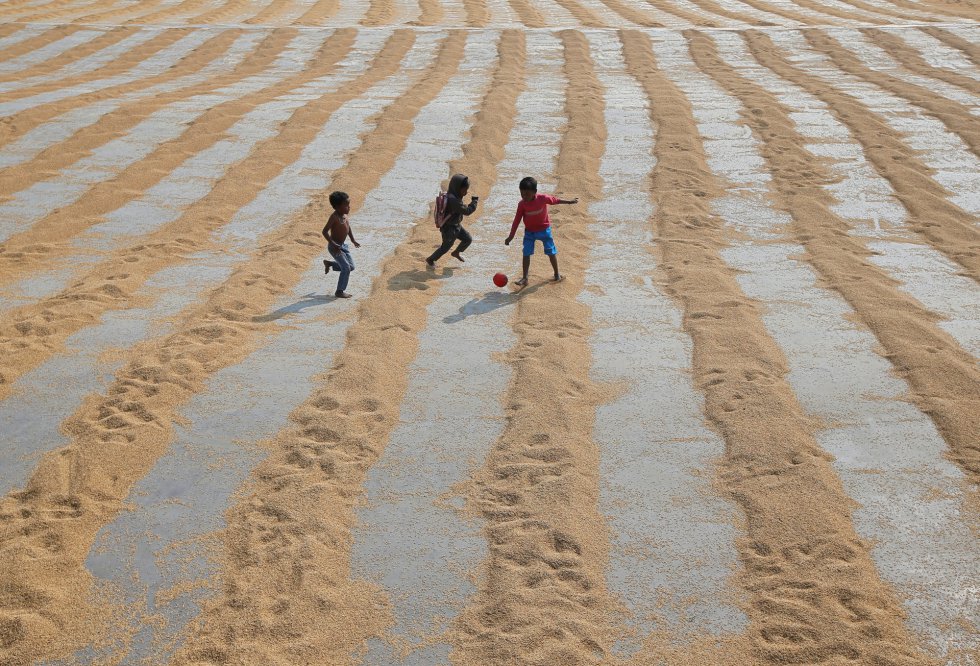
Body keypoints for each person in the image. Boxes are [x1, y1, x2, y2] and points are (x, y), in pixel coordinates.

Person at [505, 176, 577, 285]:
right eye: (522, 194)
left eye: (527, 194)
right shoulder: (522, 205)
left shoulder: (543, 198)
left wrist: (569, 202)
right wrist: (511, 236)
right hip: (529, 232)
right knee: (526, 253)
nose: (524, 197)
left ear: (535, 192)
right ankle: (525, 278)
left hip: (544, 230)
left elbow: (556, 200)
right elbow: (516, 221)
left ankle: (557, 274)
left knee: (551, 252)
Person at [426, 173, 478, 267]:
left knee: (468, 239)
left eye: (467, 190)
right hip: (449, 229)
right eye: (464, 190)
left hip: (456, 225)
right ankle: (430, 259)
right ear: (457, 188)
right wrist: (474, 202)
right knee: (445, 247)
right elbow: (467, 211)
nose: (466, 192)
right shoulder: (453, 201)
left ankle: (456, 253)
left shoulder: (453, 195)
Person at [322, 191, 360, 298]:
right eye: (346, 205)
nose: (349, 208)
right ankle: (339, 291)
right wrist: (333, 244)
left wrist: (353, 240)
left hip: (343, 246)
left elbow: (348, 228)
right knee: (346, 268)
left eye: (349, 205)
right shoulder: (334, 217)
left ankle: (330, 264)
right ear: (337, 207)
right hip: (335, 247)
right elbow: (324, 231)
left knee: (351, 267)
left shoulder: (345, 216)